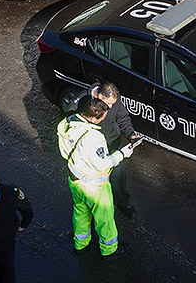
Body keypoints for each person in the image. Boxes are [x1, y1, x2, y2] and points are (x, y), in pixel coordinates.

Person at [57, 98, 140, 259]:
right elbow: (102, 164)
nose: (104, 119)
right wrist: (122, 154)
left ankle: (80, 244)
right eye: (103, 117)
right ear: (94, 118)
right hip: (94, 186)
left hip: (75, 179)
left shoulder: (67, 122)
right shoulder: (93, 137)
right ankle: (109, 250)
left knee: (81, 212)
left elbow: (65, 152)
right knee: (105, 218)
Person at [64, 82, 140, 219]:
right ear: (99, 96)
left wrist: (130, 134)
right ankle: (93, 210)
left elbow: (122, 117)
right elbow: (70, 124)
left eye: (113, 104)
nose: (110, 107)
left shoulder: (113, 99)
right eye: (108, 104)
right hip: (91, 149)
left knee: (118, 176)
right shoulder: (81, 101)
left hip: (112, 143)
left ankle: (123, 203)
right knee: (94, 182)